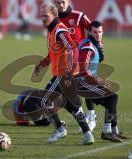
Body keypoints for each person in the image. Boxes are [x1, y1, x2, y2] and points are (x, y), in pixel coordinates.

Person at [34, 3, 94, 145]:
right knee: (70, 105)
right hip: (61, 74)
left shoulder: (59, 30)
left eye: (46, 16)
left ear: (54, 15)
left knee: (44, 101)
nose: (43, 18)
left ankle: (60, 129)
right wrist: (42, 64)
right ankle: (87, 134)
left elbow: (73, 48)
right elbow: (52, 53)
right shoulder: (51, 30)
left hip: (63, 75)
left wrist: (69, 68)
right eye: (41, 16)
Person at [77, 21, 128, 142]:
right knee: (112, 98)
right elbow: (83, 69)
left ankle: (114, 130)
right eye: (95, 32)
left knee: (111, 98)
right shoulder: (88, 47)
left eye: (100, 32)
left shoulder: (95, 44)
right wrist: (98, 80)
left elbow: (93, 64)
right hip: (82, 82)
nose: (98, 34)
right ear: (89, 32)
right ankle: (107, 131)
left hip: (86, 81)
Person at [55, 0, 100, 132]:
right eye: (57, 2)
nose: (61, 5)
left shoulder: (78, 16)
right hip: (66, 61)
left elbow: (94, 30)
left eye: (63, 1)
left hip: (83, 57)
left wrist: (99, 49)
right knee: (71, 90)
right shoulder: (55, 20)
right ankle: (83, 118)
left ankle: (91, 116)